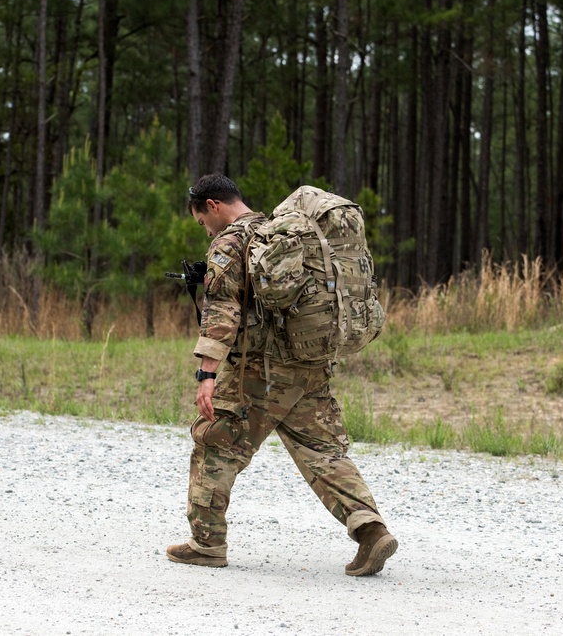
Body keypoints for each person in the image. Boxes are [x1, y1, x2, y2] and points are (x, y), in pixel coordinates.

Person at [166, 173, 398, 577]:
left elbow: (223, 311)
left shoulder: (231, 242)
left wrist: (206, 373)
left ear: (213, 206)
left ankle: (206, 544)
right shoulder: (277, 233)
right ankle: (370, 529)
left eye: (201, 220)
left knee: (215, 444)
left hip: (259, 373)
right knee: (322, 452)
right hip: (309, 366)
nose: (204, 228)